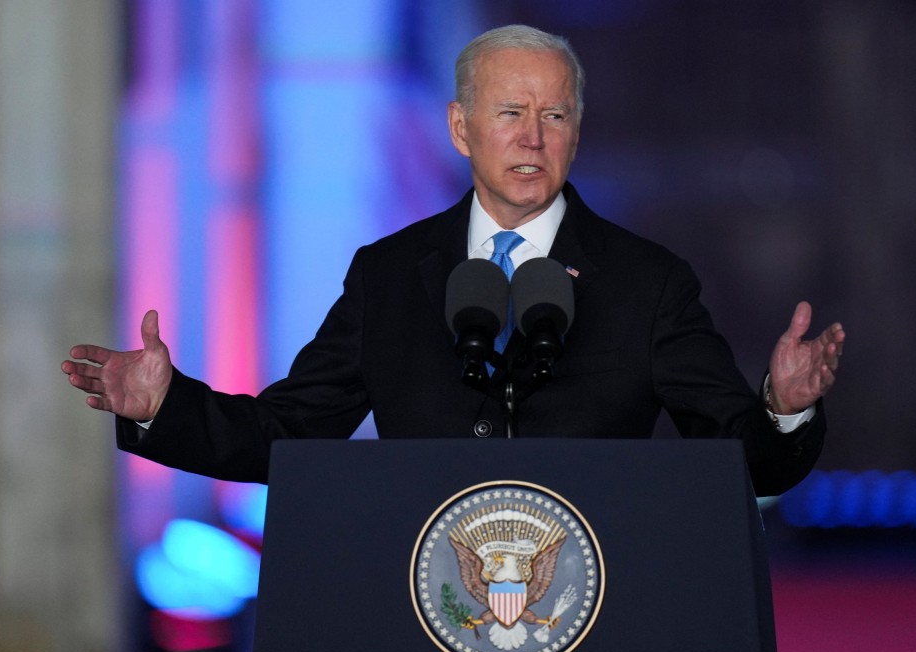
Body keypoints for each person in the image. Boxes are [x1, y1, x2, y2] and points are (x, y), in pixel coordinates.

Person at [61, 24, 844, 496]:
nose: (533, 138)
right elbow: (288, 430)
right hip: (422, 607)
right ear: (461, 128)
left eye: (555, 115)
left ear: (576, 131)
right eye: (510, 114)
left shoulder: (648, 283)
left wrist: (782, 407)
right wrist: (167, 407)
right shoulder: (390, 275)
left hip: (597, 612)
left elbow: (743, 461)